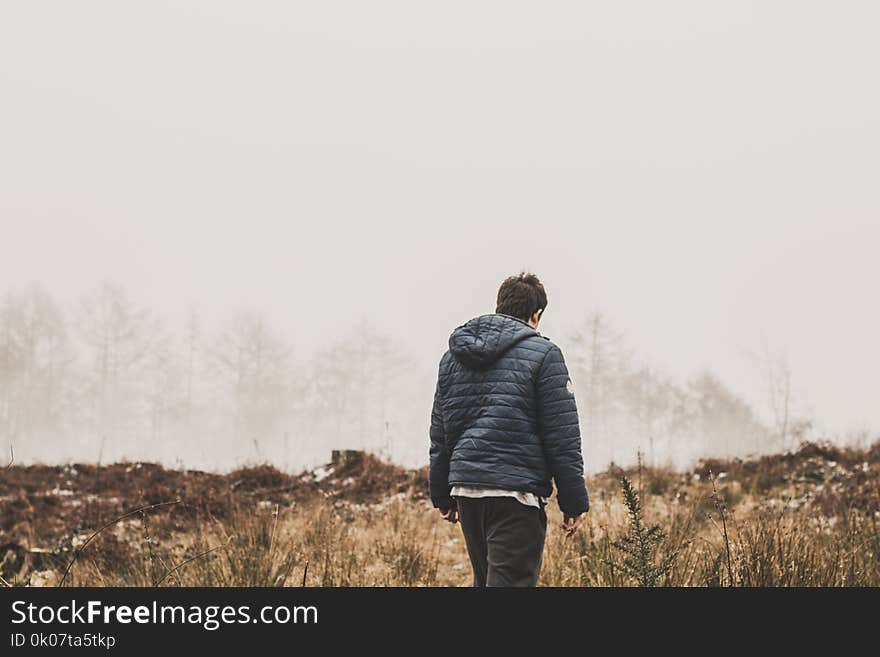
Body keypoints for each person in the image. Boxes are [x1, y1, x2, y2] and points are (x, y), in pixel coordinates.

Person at [429, 272, 590, 587]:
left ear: (501, 306)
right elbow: (562, 437)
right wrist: (573, 502)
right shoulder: (545, 355)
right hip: (515, 494)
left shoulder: (453, 358)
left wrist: (442, 495)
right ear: (536, 314)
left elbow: (441, 434)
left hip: (467, 490)